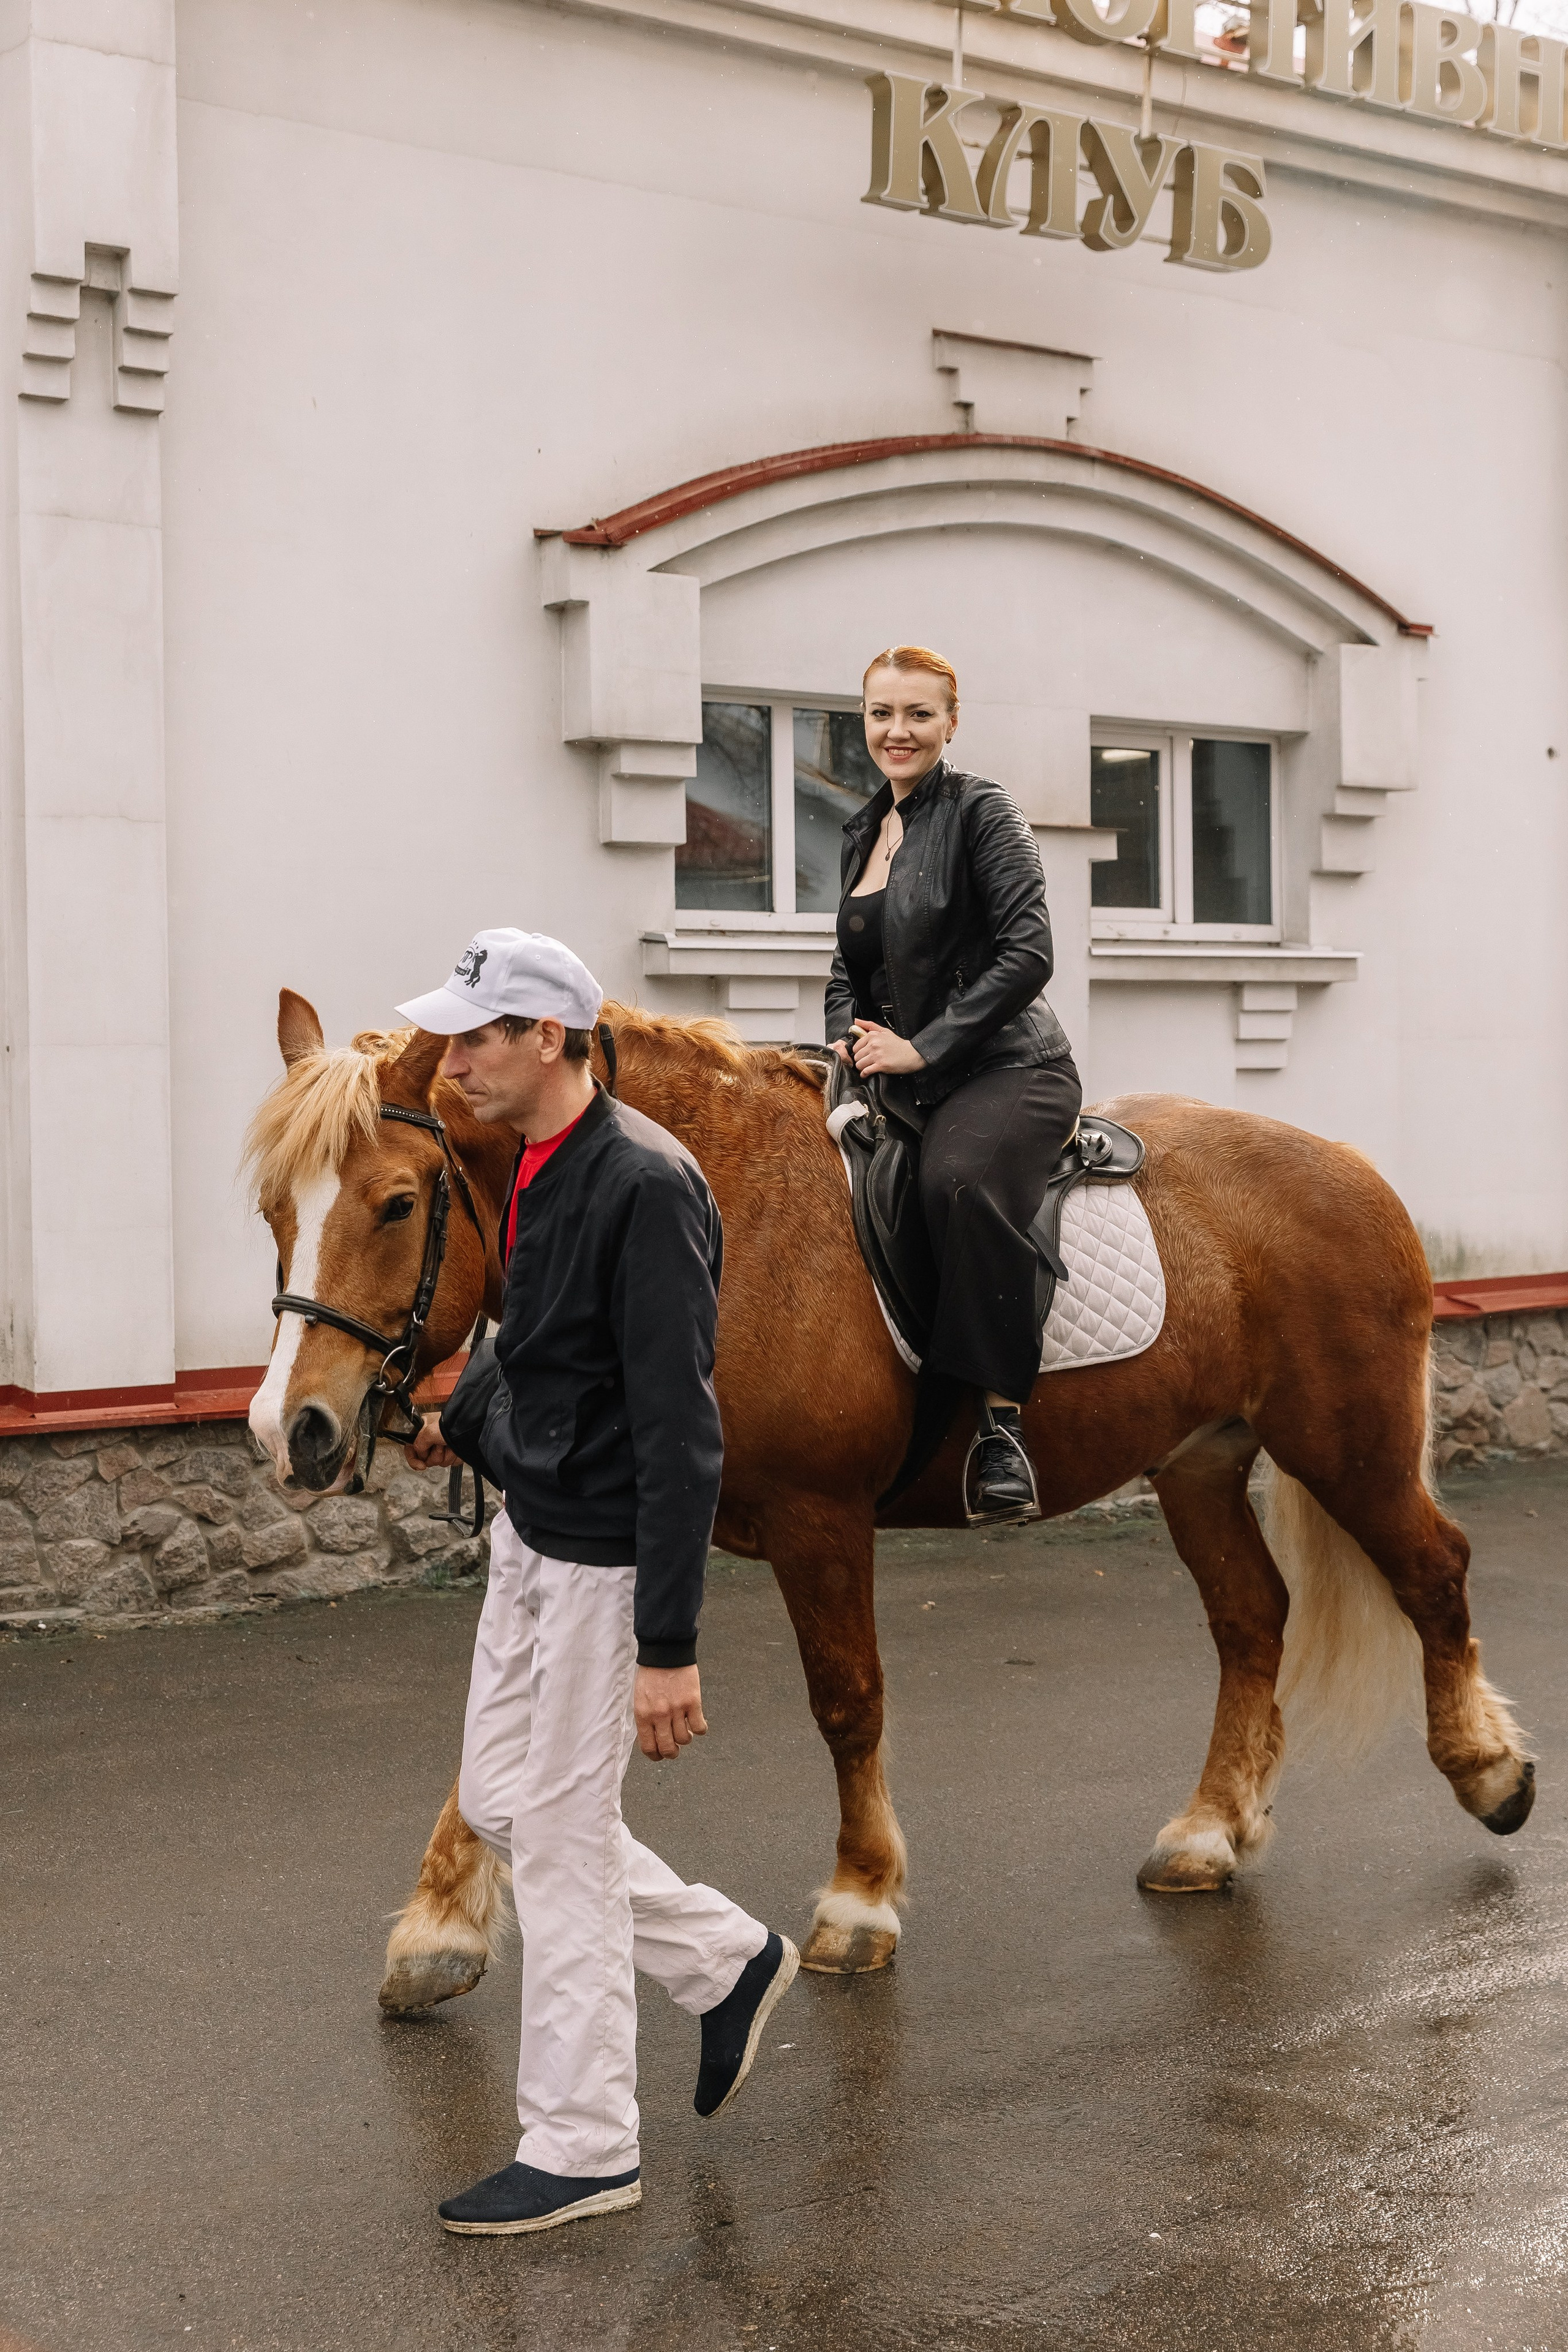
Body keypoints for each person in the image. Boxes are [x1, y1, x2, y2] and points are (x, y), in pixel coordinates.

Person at [397, 927, 797, 2238]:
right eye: (455, 1034)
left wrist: (666, 1645)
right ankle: (724, 1960)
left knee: (560, 1848)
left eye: (477, 1035)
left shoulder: (643, 1183)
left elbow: (682, 1427)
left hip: (603, 1564)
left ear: (550, 1041)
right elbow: (539, 1346)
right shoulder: (534, 1164)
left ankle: (581, 2148)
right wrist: (463, 1414)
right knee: (507, 1804)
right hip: (532, 1533)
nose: (454, 1057)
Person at [826, 648, 1083, 1522]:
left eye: (917, 715)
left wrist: (923, 1047)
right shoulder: (863, 828)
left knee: (957, 1183)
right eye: (880, 714)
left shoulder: (983, 811)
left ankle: (1000, 1427)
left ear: (950, 722)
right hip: (906, 1076)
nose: (897, 732)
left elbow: (1030, 952)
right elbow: (846, 968)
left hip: (1011, 1067)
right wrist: (846, 1040)